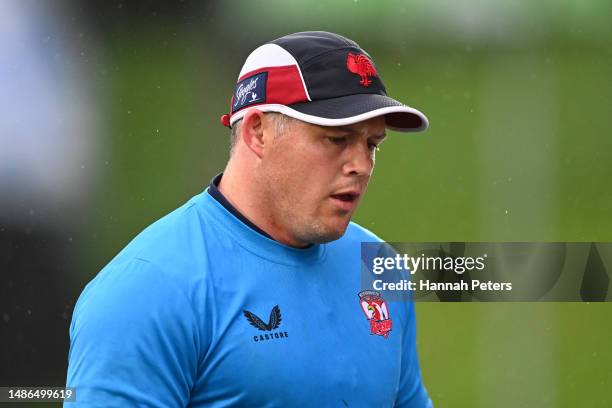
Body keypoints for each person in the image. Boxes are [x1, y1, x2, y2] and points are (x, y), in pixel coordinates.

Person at [65, 31, 432, 407]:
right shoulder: (148, 288)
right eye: (337, 139)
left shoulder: (377, 266)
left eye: (371, 144)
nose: (360, 165)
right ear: (258, 132)